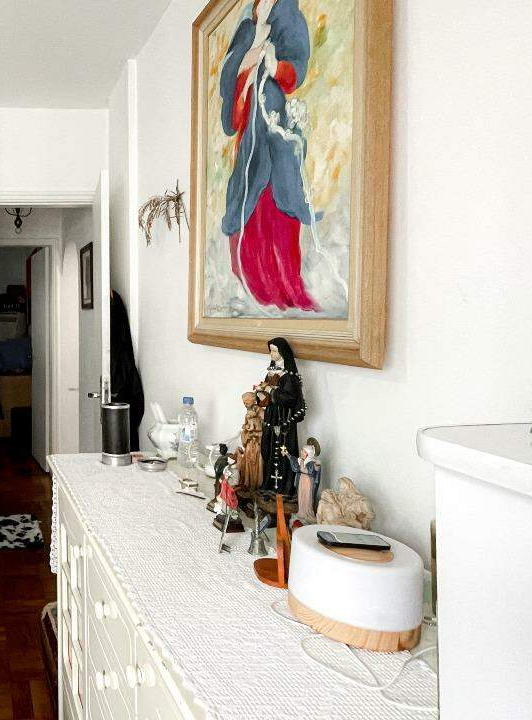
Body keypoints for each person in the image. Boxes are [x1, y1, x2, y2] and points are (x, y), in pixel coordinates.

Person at [219, 0, 317, 311]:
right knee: (246, 203)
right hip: (249, 137)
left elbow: (296, 69)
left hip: (274, 133)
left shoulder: (290, 20)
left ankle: (283, 288)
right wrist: (246, 65)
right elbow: (230, 81)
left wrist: (274, 66)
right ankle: (252, 286)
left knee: (277, 202)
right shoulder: (246, 31)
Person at [259, 337, 307, 498]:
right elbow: (267, 395)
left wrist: (271, 391)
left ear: (282, 352)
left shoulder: (289, 375)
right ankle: (268, 484)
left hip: (284, 418)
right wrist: (261, 393)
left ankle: (284, 488)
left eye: (274, 351)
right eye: (270, 351)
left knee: (283, 451)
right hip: (271, 416)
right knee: (268, 448)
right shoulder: (271, 372)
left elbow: (290, 399)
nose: (271, 354)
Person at [282, 438, 322, 520]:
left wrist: (303, 461)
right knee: (301, 496)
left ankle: (307, 513)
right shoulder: (301, 460)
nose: (301, 452)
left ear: (307, 453)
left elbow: (304, 470)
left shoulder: (311, 462)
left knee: (307, 497)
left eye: (303, 451)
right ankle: (301, 512)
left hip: (308, 481)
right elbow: (294, 461)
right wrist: (287, 454)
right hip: (302, 480)